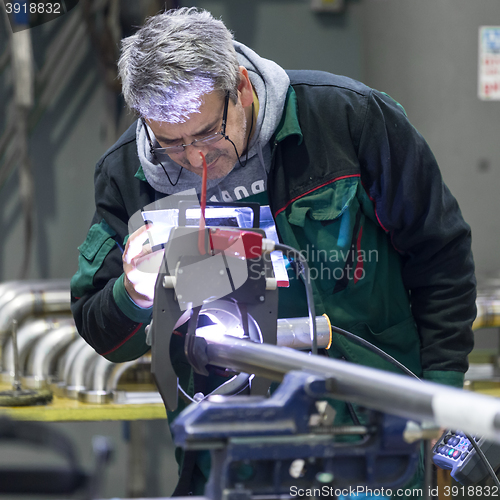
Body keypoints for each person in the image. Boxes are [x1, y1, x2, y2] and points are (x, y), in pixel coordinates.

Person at [70, 7, 476, 497]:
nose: (197, 159)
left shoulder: (347, 121)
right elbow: (103, 332)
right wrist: (135, 292)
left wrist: (443, 392)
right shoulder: (126, 177)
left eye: (206, 134)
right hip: (230, 454)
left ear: (240, 86)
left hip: (374, 437)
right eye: (171, 145)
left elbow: (440, 256)